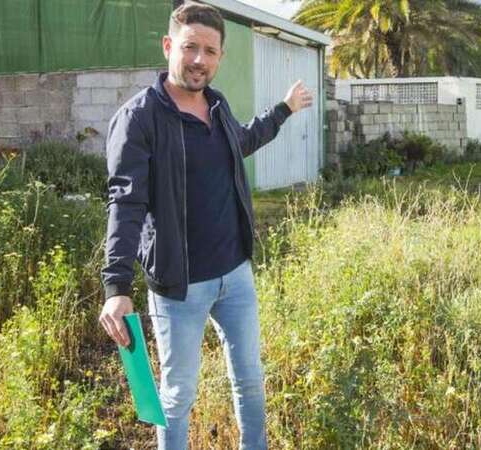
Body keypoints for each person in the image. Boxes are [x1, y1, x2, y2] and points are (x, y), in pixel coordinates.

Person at [97, 2, 313, 449]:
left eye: (209, 51)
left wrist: (284, 110)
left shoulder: (216, 106)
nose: (199, 60)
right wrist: (117, 286)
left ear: (220, 57)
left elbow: (243, 140)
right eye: (190, 47)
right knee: (178, 396)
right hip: (180, 288)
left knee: (251, 382)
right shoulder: (139, 119)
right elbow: (125, 202)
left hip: (235, 276)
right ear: (168, 46)